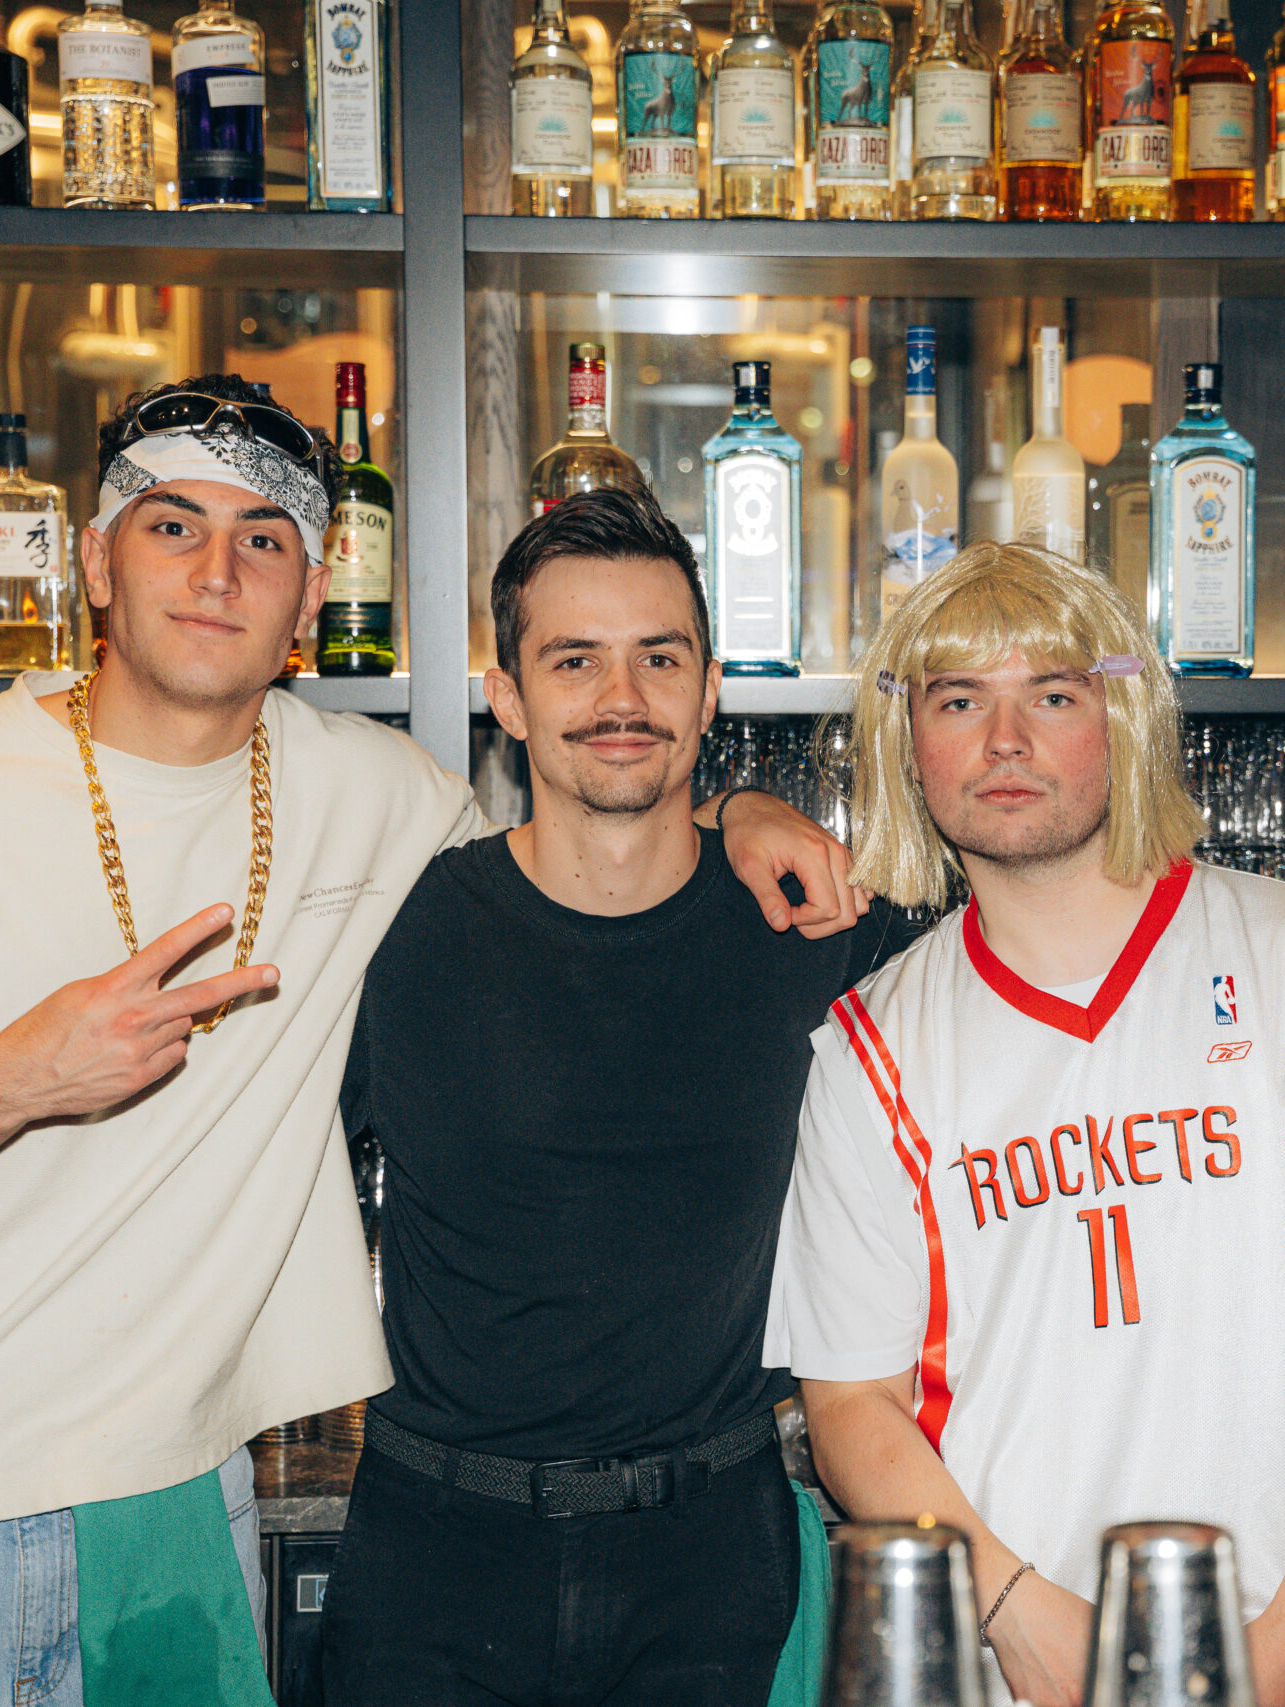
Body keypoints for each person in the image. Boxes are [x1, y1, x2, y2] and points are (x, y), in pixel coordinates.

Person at [0, 377, 857, 1707]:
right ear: (96, 562)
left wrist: (747, 812)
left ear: (311, 595)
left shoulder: (377, 797)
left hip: (181, 1504)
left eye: (262, 539)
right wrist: (12, 1081)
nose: (217, 572)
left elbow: (601, 833)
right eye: (172, 527)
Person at [767, 542, 1285, 1707]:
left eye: (1052, 695)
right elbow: (852, 1402)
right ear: (906, 741)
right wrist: (1016, 1615)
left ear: (1127, 720)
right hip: (1013, 1663)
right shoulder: (867, 1049)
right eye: (959, 700)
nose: (1005, 741)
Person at [315, 490, 918, 1707]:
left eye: (660, 658)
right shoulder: (400, 936)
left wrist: (744, 812)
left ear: (710, 692)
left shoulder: (816, 931)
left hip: (711, 1557)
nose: (622, 697)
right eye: (574, 660)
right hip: (434, 1555)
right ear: (508, 699)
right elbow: (219, 1157)